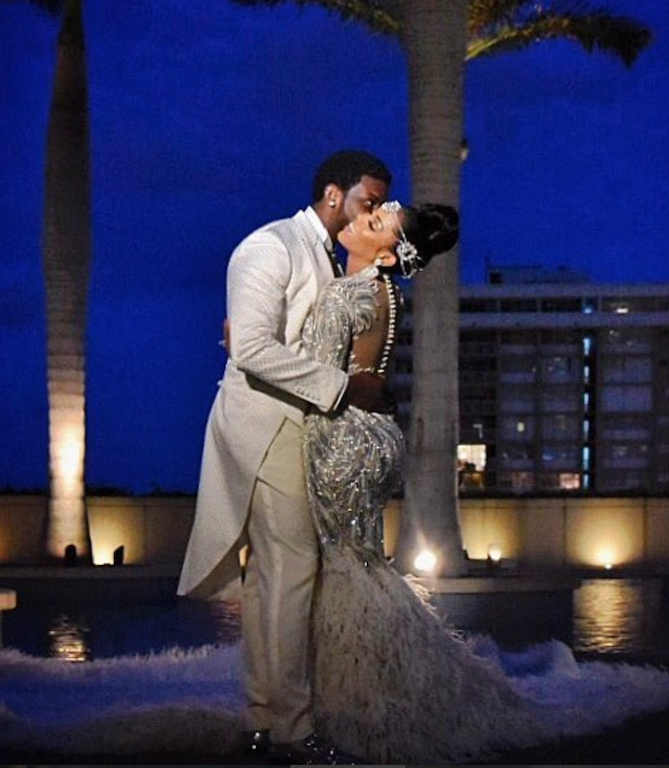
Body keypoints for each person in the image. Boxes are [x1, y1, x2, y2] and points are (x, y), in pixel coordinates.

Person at [301, 200, 669, 765]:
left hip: (342, 439)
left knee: (341, 570)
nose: (359, 217)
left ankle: (354, 701)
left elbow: (314, 376)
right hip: (372, 438)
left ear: (390, 253)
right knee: (360, 567)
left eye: (375, 222)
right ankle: (381, 684)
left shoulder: (348, 292)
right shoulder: (384, 292)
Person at [177, 150, 394, 764]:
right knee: (292, 570)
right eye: (369, 201)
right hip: (265, 425)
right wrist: (343, 388)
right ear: (334, 195)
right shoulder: (269, 246)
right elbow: (251, 348)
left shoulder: (324, 256)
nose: (372, 213)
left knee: (272, 578)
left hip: (296, 426)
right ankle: (293, 731)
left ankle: (263, 720)